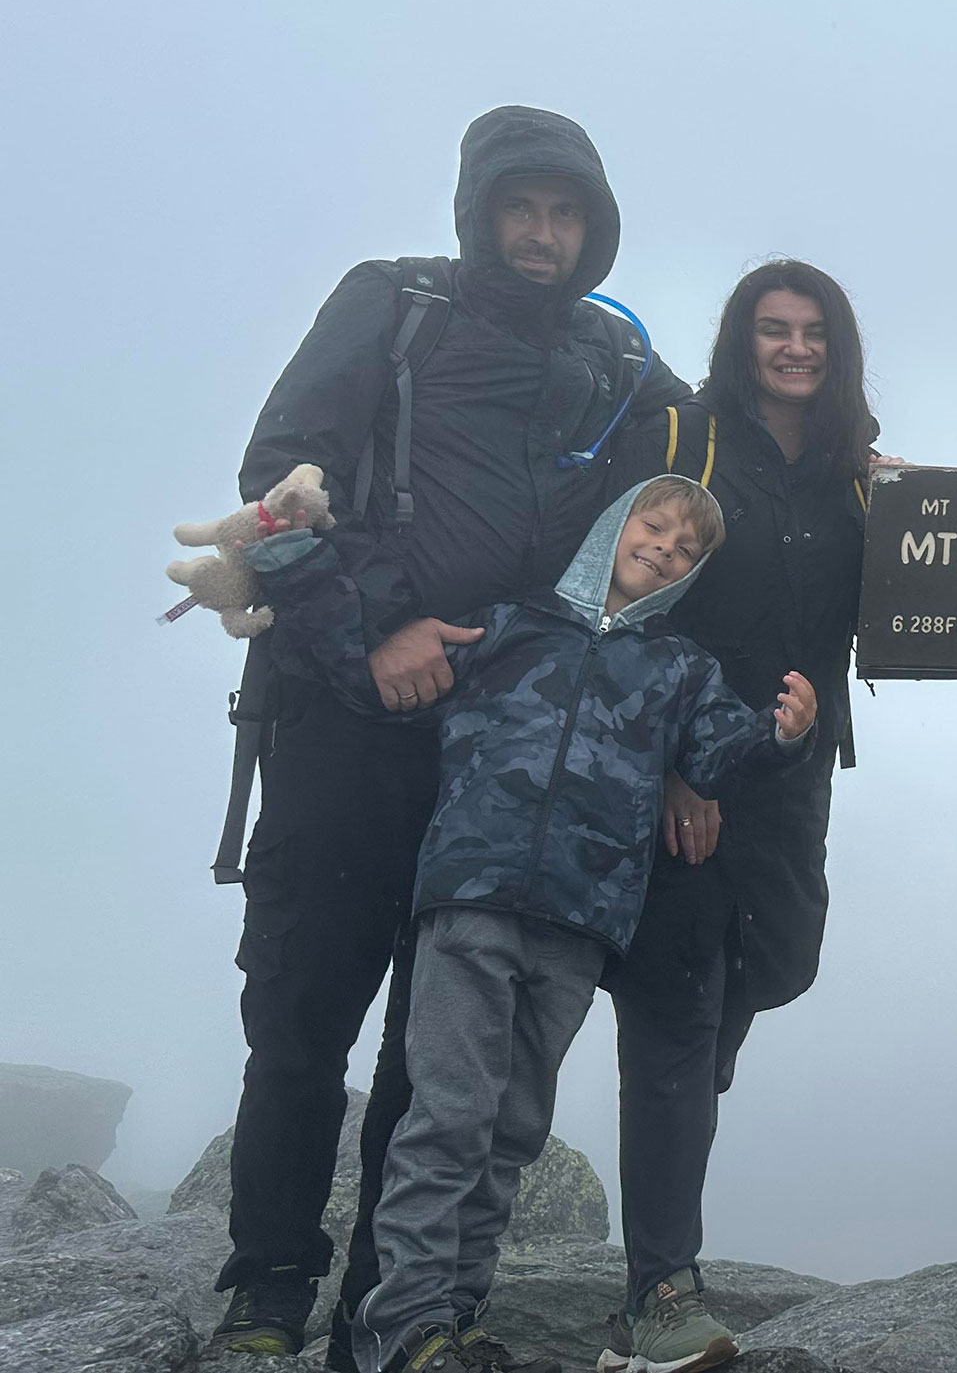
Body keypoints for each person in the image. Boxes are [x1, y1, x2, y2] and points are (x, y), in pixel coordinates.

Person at [214, 107, 689, 1363]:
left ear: (594, 231)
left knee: (444, 1051)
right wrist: (379, 629)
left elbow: (727, 458)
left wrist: (872, 461)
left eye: (566, 214)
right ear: (480, 212)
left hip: (496, 756)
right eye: (522, 209)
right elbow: (280, 476)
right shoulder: (392, 303)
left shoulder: (617, 362)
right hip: (339, 721)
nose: (542, 234)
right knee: (304, 1017)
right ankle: (266, 1289)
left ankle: (394, 1314)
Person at [243, 475, 819, 1373]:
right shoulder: (507, 625)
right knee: (451, 1115)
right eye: (652, 524)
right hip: (471, 902)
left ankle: (457, 1319)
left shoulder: (678, 670)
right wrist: (287, 558)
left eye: (686, 546)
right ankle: (405, 1323)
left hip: (580, 922)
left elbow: (719, 755)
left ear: (691, 573)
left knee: (511, 1128)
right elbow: (375, 671)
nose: (664, 546)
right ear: (611, 527)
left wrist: (784, 735)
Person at [599, 262, 877, 1373]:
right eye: (773, 329)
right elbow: (631, 595)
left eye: (813, 331)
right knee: (676, 1001)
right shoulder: (689, 435)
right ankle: (661, 1287)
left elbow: (910, 574)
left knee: (770, 968)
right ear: (740, 337)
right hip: (686, 776)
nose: (794, 348)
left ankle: (668, 1214)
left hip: (792, 774)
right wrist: (675, 767)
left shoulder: (855, 460)